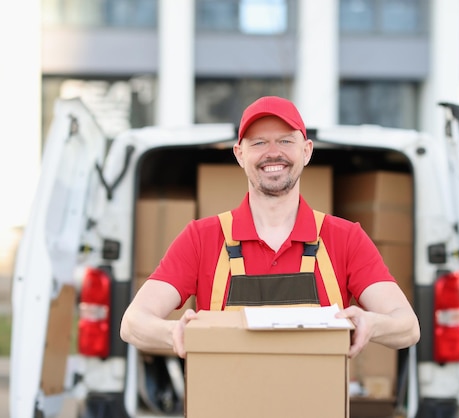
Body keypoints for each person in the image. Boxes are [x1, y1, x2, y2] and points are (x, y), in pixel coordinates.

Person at [120, 96, 420, 358]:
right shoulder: (202, 238)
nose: (272, 152)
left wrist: (372, 323)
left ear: (307, 150)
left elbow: (407, 326)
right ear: (240, 154)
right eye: (259, 142)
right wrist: (175, 333)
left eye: (286, 140)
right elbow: (133, 322)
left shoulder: (345, 239)